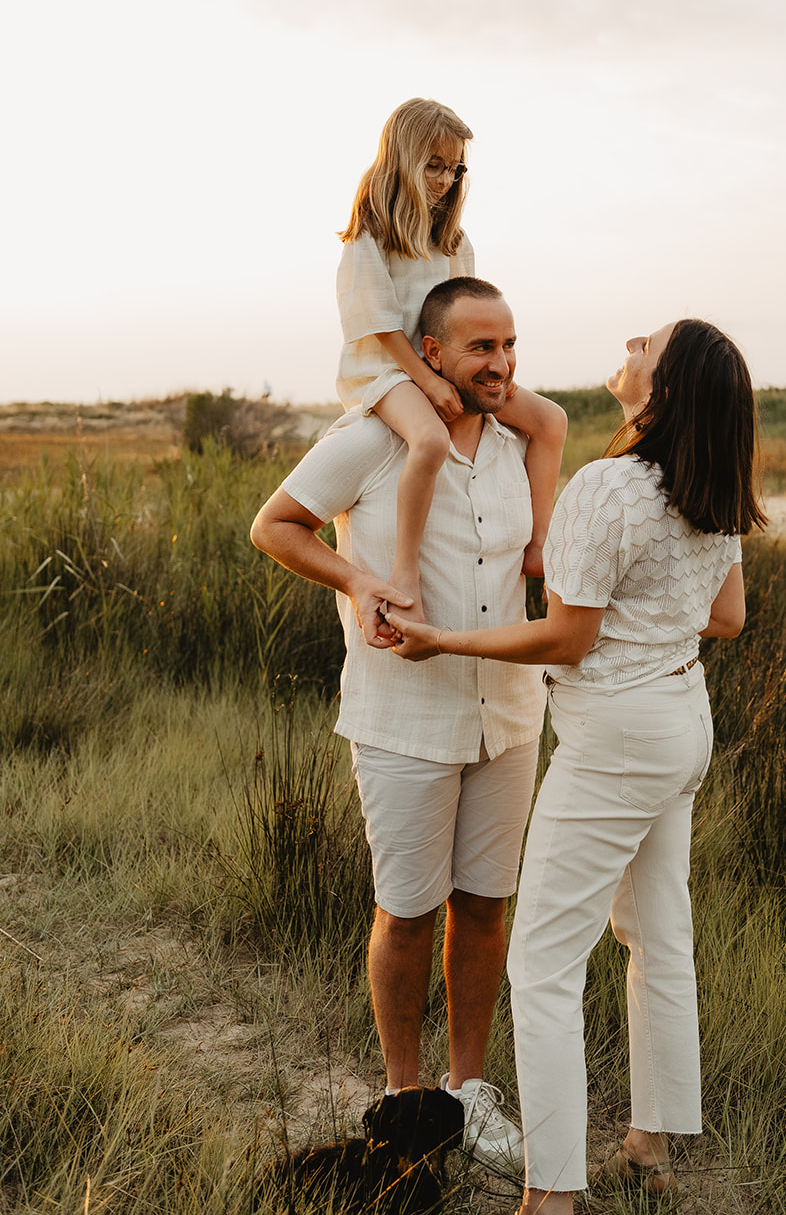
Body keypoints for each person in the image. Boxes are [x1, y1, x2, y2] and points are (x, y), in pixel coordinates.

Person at [389, 318, 767, 1213]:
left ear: (661, 388)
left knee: (544, 963)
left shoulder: (611, 487)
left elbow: (567, 634)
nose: (631, 339)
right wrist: (650, 622)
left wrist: (445, 637)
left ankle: (550, 1194)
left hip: (618, 742)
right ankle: (652, 1145)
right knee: (657, 934)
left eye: (649, 343)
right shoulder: (711, 484)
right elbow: (726, 618)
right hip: (682, 723)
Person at [250, 277, 551, 1174]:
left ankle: (467, 1095)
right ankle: (403, 1098)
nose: (498, 365)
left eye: (507, 346)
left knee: (485, 909)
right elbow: (275, 525)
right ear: (430, 353)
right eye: (478, 348)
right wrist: (357, 582)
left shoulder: (518, 442)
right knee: (409, 912)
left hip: (510, 712)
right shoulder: (374, 438)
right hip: (402, 717)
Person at [336, 96, 567, 621]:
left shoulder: (452, 239)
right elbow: (378, 324)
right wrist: (427, 381)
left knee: (550, 420)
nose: (444, 179)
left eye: (454, 168)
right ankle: (405, 569)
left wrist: (493, 367)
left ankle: (538, 543)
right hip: (387, 370)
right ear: (402, 159)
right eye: (433, 166)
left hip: (447, 366)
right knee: (431, 440)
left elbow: (468, 315)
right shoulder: (370, 232)